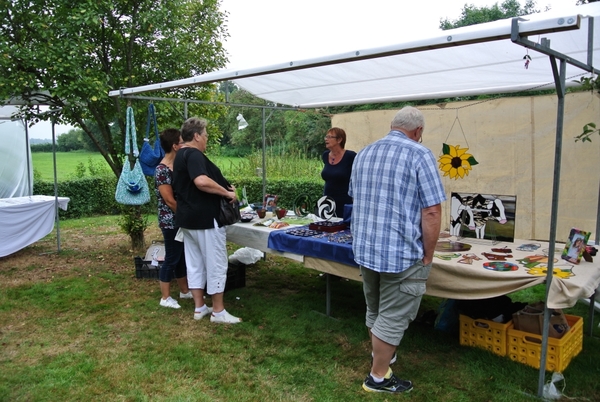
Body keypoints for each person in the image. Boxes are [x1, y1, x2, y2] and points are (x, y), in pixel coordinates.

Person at [349, 106, 446, 394]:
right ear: (418, 132)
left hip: (367, 247)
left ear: (393, 125)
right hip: (401, 252)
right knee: (393, 315)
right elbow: (431, 211)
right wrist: (428, 254)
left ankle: (383, 357)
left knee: (376, 309)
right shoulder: (420, 153)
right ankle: (378, 377)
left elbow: (356, 197)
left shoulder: (364, 153)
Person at [172, 117, 242, 324]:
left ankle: (199, 307)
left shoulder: (180, 155)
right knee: (216, 263)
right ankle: (218, 312)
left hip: (188, 219)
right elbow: (201, 181)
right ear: (196, 136)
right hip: (204, 218)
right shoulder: (193, 154)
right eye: (205, 135)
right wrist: (227, 193)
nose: (207, 139)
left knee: (194, 263)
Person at [154, 128, 191, 309]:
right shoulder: (162, 170)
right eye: (183, 142)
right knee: (172, 257)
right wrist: (187, 215)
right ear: (175, 146)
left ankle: (185, 292)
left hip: (179, 220)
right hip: (170, 221)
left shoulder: (177, 166)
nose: (185, 144)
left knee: (181, 257)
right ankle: (165, 297)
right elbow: (169, 200)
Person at [321, 127, 356, 217]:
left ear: (339, 140)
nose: (326, 139)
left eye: (329, 137)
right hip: (327, 202)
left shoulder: (350, 156)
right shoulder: (325, 155)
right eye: (326, 136)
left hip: (345, 202)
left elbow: (357, 178)